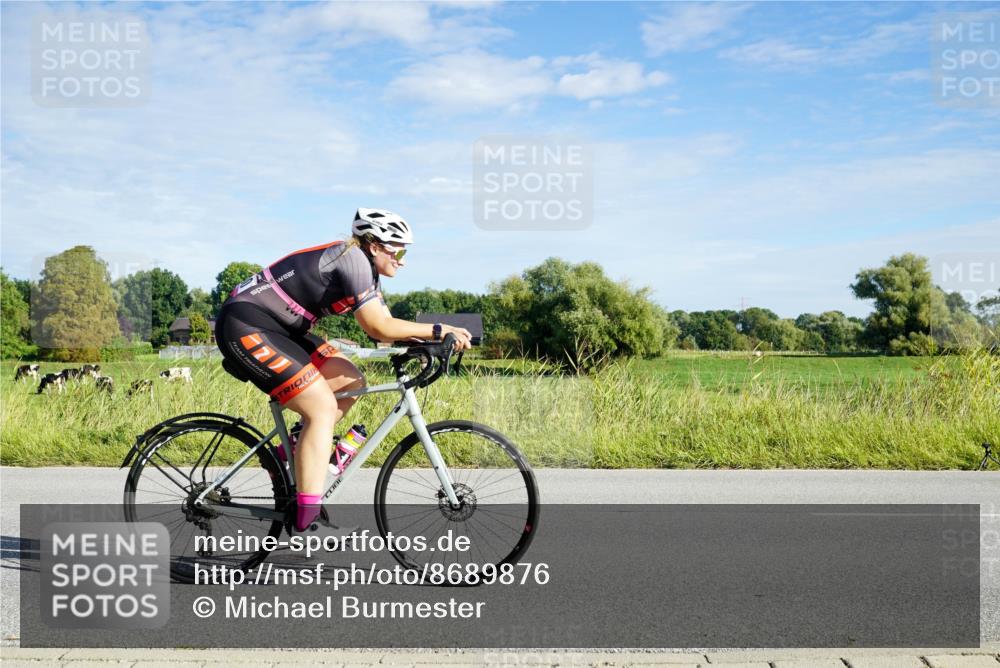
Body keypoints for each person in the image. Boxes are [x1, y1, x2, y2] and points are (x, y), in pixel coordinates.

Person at [214, 208, 472, 531]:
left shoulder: (367, 270)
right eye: (399, 251)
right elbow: (377, 327)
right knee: (321, 408)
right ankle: (307, 517)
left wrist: (427, 343)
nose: (402, 261)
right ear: (374, 246)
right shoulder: (354, 261)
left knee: (351, 380)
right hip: (246, 323)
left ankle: (289, 451)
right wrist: (439, 329)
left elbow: (387, 325)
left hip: (281, 328)